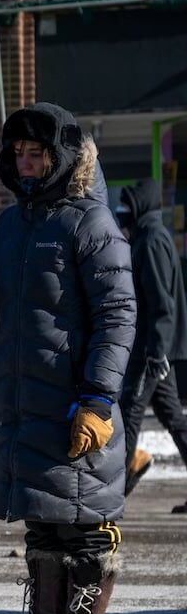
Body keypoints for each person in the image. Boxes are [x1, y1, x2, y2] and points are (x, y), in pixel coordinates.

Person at [0, 103, 134, 614]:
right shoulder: (12, 223)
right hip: (23, 402)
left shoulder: (91, 223)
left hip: (73, 403)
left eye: (36, 153)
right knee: (42, 522)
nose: (25, 163)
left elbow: (118, 317)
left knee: (87, 523)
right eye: (17, 153)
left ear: (63, 157)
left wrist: (97, 401)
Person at [113, 179, 187, 498]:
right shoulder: (146, 237)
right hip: (155, 347)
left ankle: (113, 493)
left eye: (126, 206)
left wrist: (156, 353)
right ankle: (123, 477)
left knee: (129, 411)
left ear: (141, 207)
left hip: (150, 350)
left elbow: (161, 303)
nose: (121, 213)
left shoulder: (151, 241)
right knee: (172, 416)